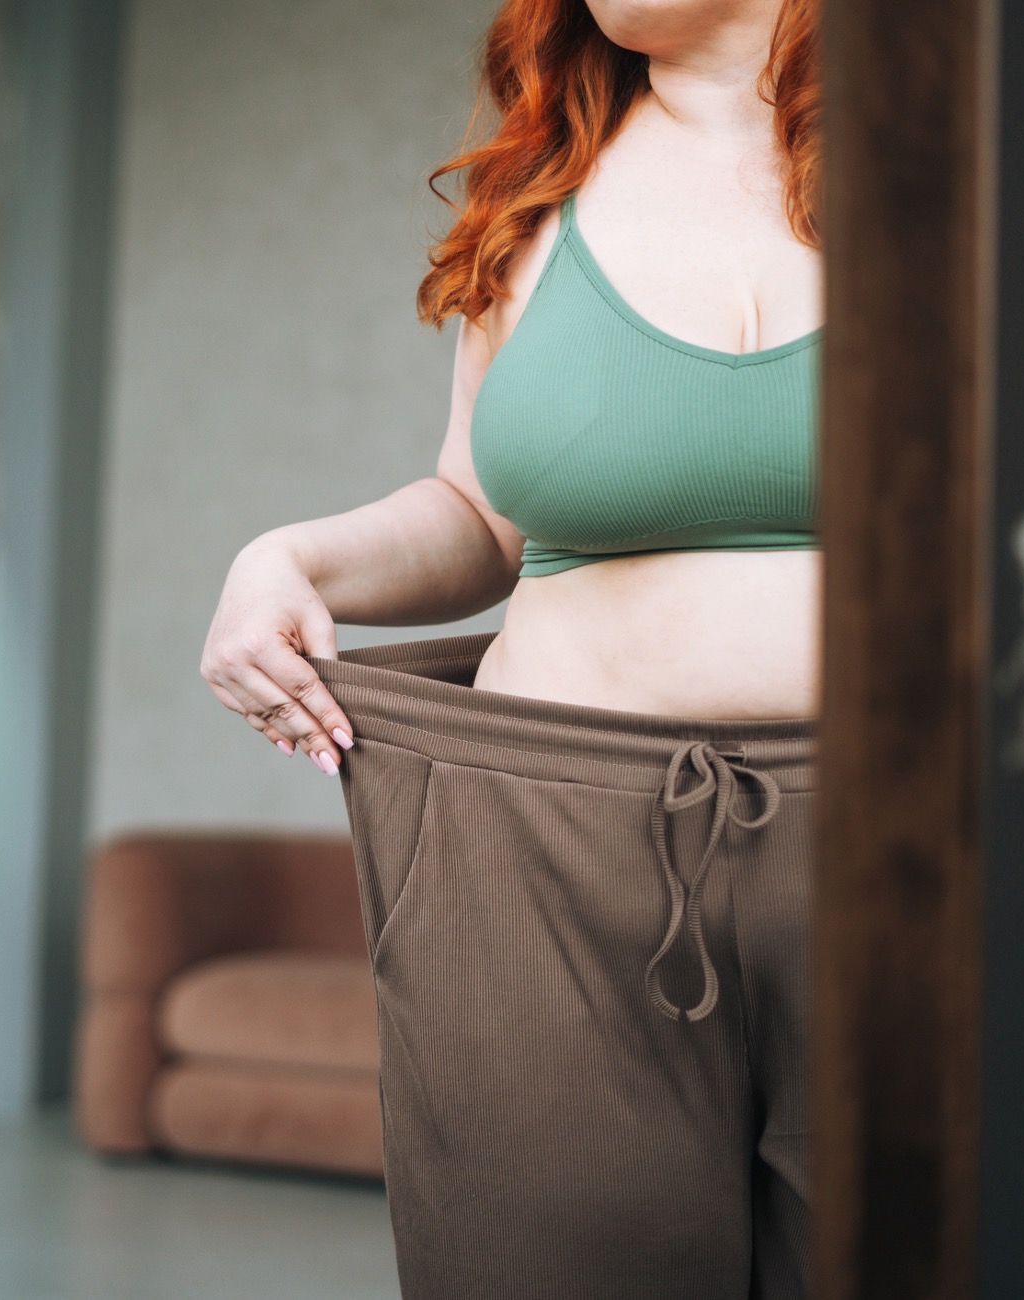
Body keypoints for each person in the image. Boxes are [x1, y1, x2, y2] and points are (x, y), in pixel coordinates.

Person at [201, 0, 822, 1295]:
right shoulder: (544, 184)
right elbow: (479, 514)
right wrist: (290, 561)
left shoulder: (977, 169)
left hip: (920, 833)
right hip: (536, 854)